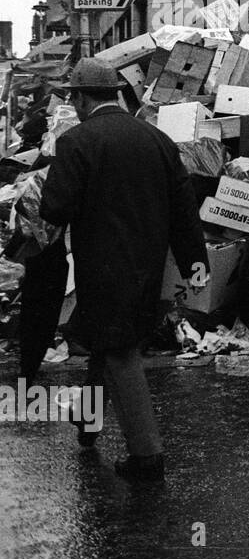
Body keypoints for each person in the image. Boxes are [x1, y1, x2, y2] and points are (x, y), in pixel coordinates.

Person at [39, 58, 208, 483]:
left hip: (102, 266)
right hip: (148, 266)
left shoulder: (76, 141)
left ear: (79, 97)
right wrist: (195, 264)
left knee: (118, 350)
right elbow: (183, 211)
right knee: (106, 338)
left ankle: (147, 455)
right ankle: (90, 421)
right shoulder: (158, 139)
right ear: (114, 92)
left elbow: (55, 208)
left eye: (72, 97)